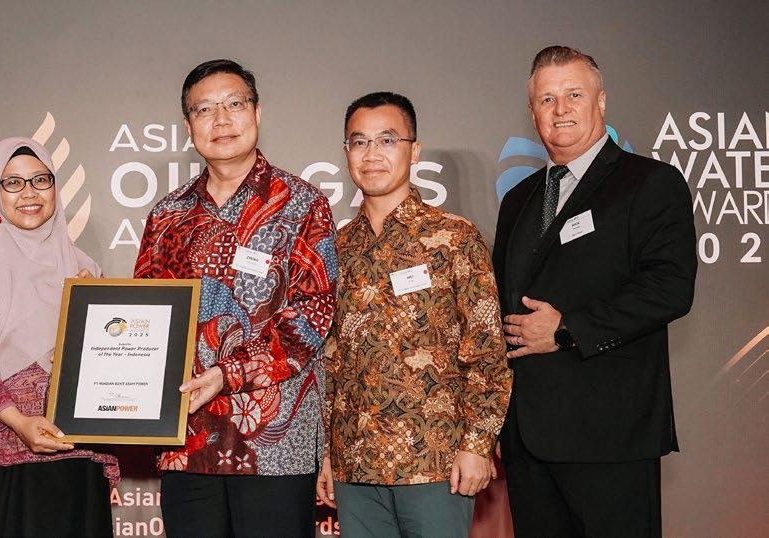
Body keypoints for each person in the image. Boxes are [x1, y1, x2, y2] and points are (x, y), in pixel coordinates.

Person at [493, 45, 697, 537]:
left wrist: (566, 329)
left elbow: (670, 287)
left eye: (574, 95)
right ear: (532, 112)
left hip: (610, 436)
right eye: (547, 99)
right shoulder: (518, 199)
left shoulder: (649, 182)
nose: (560, 109)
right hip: (528, 442)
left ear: (600, 101)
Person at [134, 59, 337, 537]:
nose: (221, 120)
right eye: (204, 109)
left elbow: (311, 316)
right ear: (188, 125)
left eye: (234, 104)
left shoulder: (303, 204)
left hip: (275, 444)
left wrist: (226, 374)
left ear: (257, 112)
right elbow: (147, 317)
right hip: (186, 439)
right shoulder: (167, 215)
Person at [316, 92, 511, 537]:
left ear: (414, 150)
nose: (372, 154)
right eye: (359, 142)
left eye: (387, 140)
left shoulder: (454, 238)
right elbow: (329, 360)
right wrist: (326, 452)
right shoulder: (336, 248)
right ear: (346, 152)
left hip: (436, 462)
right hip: (355, 465)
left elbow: (486, 352)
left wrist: (478, 444)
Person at [0, 138, 118, 537]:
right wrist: (20, 423)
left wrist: (93, 308)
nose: (30, 193)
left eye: (40, 180)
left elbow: (105, 364)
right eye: (13, 183)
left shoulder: (84, 269)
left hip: (71, 455)